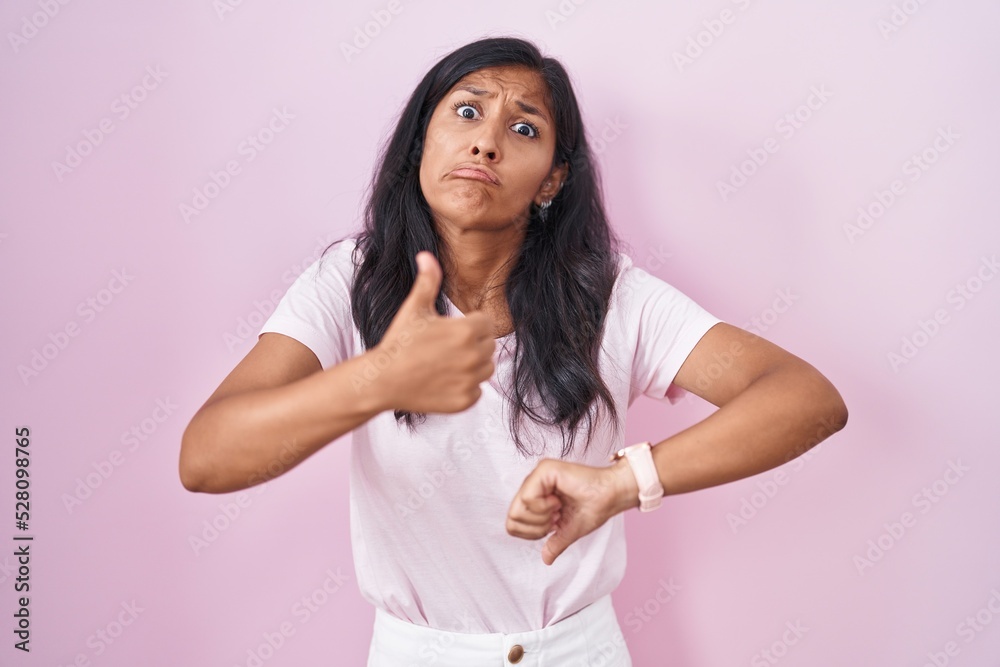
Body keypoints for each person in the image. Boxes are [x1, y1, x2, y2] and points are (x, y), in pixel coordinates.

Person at [179, 36, 848, 667]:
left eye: (523, 128)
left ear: (551, 181)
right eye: (467, 112)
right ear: (421, 142)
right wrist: (376, 379)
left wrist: (622, 483)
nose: (486, 142)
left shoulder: (613, 298)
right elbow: (206, 458)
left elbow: (807, 398)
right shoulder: (348, 283)